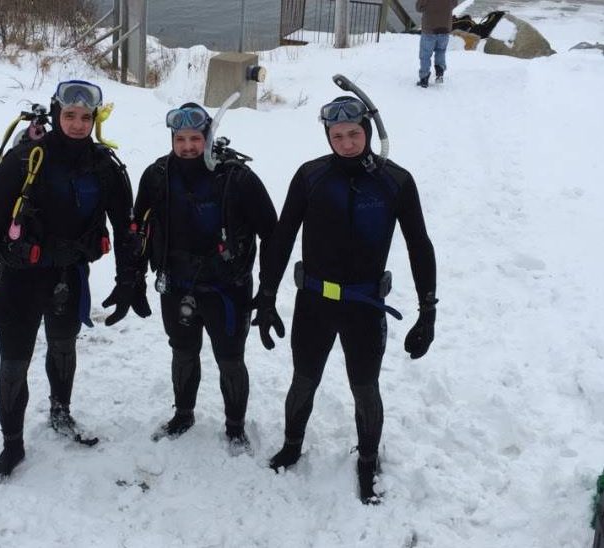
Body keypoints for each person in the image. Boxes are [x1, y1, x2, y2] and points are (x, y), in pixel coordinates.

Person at [252, 95, 437, 503]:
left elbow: (419, 245)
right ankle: (292, 445)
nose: (347, 143)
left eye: (354, 134)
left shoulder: (395, 182)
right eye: (337, 136)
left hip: (365, 307)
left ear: (367, 131)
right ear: (327, 136)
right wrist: (266, 295)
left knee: (365, 386)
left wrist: (428, 310)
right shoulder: (311, 176)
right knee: (304, 378)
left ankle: (368, 460)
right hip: (314, 303)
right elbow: (282, 238)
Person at [0, 79, 150, 487]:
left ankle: (61, 413)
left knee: (64, 347)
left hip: (69, 277)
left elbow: (126, 227)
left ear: (95, 120)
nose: (77, 124)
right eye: (69, 115)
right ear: (56, 115)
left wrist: (129, 280)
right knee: (14, 364)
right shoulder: (26, 159)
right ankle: (12, 447)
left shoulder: (105, 166)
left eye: (85, 117)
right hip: (20, 279)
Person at [131, 103, 277, 453]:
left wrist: (268, 289)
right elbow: (138, 229)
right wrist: (133, 277)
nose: (187, 147)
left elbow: (272, 233)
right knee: (183, 352)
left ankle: (235, 427)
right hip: (176, 284)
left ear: (208, 137)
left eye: (195, 139)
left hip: (227, 288)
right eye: (180, 139)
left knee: (230, 358)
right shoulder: (157, 175)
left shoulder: (236, 178)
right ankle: (183, 415)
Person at [416, 0, 458, 87]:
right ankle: (440, 72)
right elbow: (454, 4)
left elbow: (419, 8)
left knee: (425, 54)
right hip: (445, 28)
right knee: (441, 51)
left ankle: (424, 78)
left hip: (429, 28)